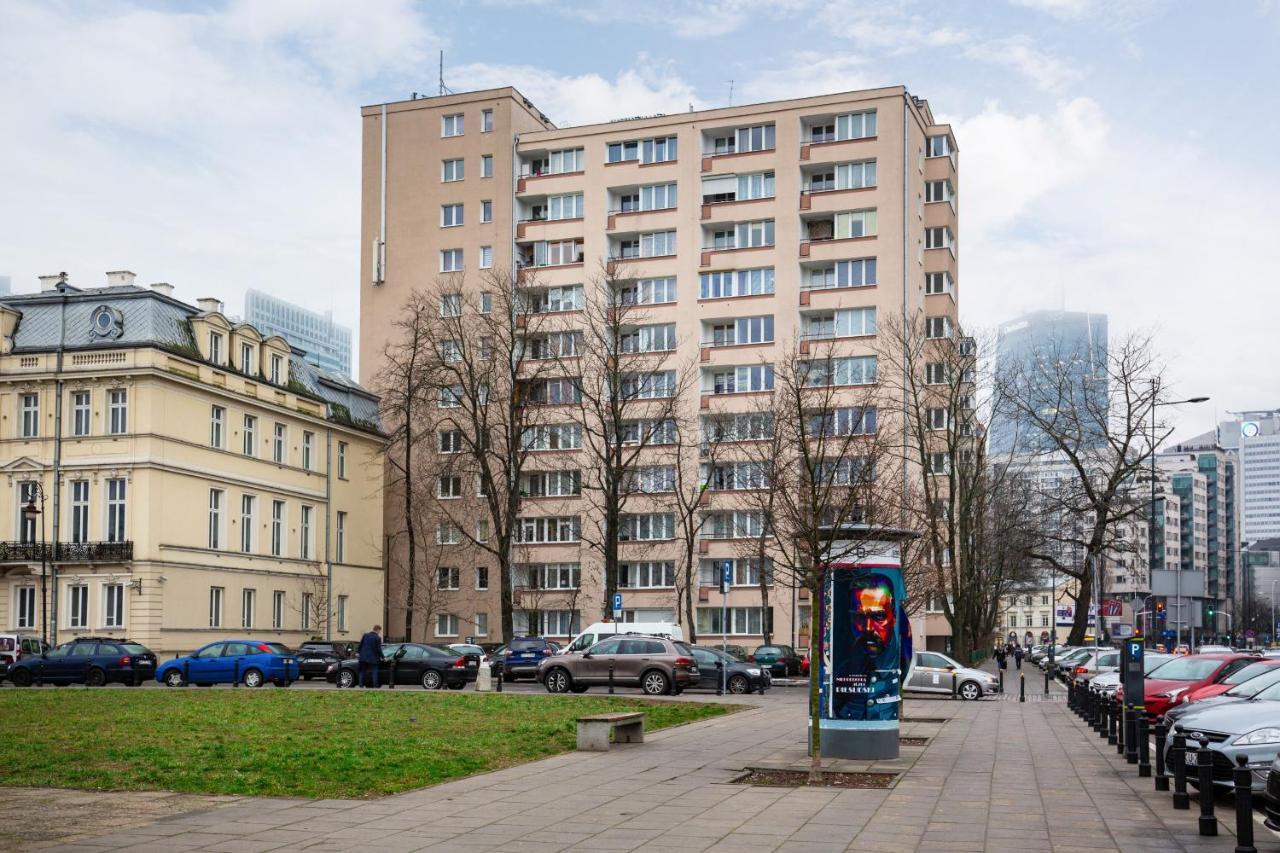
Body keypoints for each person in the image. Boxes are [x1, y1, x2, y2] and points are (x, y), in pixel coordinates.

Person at [358, 624, 383, 688]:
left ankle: (361, 686)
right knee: (374, 672)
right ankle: (375, 686)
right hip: (373, 658)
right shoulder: (377, 638)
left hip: (363, 657)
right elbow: (379, 649)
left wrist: (358, 652)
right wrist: (382, 657)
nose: (379, 632)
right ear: (377, 630)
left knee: (362, 671)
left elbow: (360, 645)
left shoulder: (365, 635)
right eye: (379, 631)